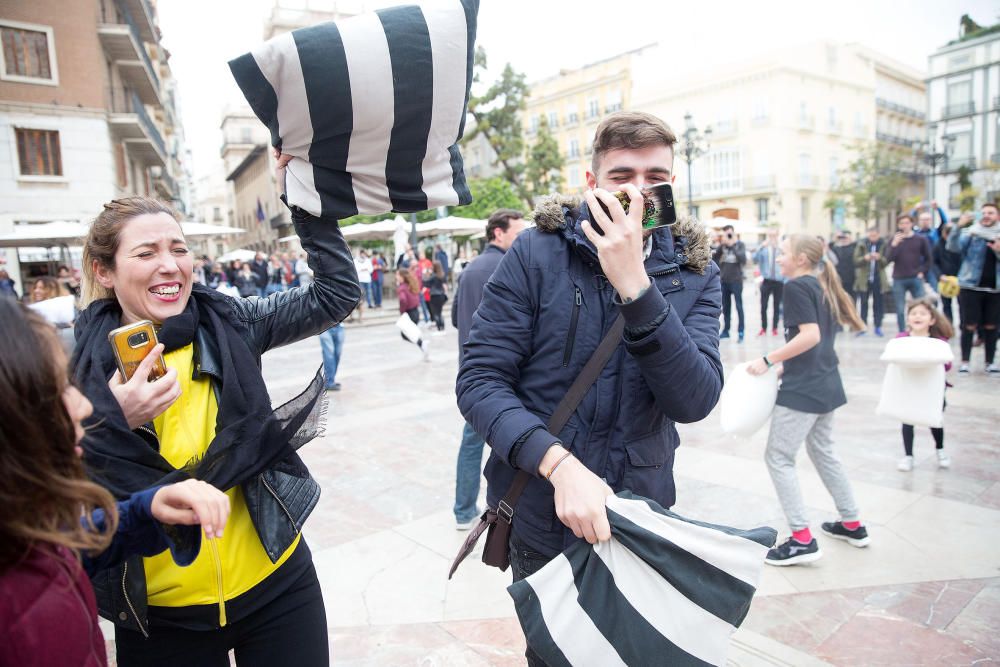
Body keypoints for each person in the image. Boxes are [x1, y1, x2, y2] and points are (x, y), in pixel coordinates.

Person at [456, 111, 722, 663]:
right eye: (622, 175)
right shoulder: (537, 252)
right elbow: (480, 380)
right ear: (592, 183)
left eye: (656, 177)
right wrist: (559, 465)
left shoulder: (695, 273)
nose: (640, 191)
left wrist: (635, 284)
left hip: (635, 511)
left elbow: (694, 399)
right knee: (555, 654)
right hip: (541, 509)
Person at [72, 181, 359, 665]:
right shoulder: (70, 368)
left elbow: (336, 294)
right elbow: (40, 485)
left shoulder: (234, 323)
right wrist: (109, 419)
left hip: (277, 586)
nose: (170, 265)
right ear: (104, 271)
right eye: (146, 253)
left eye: (179, 249)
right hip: (160, 617)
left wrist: (305, 200)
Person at [0, 299, 231, 667]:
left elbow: (61, 553)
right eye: (56, 389)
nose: (85, 406)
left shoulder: (21, 532)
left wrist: (144, 511)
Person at [747, 234, 868, 565]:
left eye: (783, 253)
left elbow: (811, 335)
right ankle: (852, 523)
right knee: (824, 452)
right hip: (826, 383)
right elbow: (818, 340)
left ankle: (802, 539)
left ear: (801, 259)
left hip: (805, 390)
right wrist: (788, 363)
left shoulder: (797, 286)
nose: (780, 258)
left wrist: (769, 359)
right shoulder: (820, 284)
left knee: (779, 457)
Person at [450, 209, 528, 530]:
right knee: (511, 442)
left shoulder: (470, 269)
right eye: (518, 233)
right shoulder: (508, 266)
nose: (524, 239)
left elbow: (456, 316)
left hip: (471, 373)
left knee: (472, 443)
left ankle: (463, 509)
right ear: (498, 233)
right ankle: (504, 508)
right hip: (503, 376)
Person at [894, 297, 955, 472]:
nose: (917, 317)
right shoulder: (901, 339)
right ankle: (908, 455)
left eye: (922, 313)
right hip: (909, 386)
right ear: (908, 318)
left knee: (935, 420)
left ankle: (940, 449)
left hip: (933, 388)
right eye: (913, 313)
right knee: (907, 420)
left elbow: (947, 364)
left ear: (932, 319)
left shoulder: (938, 341)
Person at [949, 205, 1000, 375]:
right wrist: (958, 226)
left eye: (990, 213)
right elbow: (953, 247)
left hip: (995, 289)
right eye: (984, 213)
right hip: (970, 286)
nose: (986, 216)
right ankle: (965, 362)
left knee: (992, 326)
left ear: (997, 216)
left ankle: (990, 362)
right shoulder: (971, 233)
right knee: (968, 325)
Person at [885, 214, 932, 332]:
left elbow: (929, 259)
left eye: (906, 223)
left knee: (921, 305)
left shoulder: (920, 239)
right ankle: (902, 332)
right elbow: (887, 259)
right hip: (899, 278)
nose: (904, 226)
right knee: (900, 309)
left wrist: (922, 272)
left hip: (915, 277)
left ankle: (921, 330)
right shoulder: (894, 239)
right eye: (901, 223)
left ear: (911, 224)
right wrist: (894, 245)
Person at [713, 223, 747, 341]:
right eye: (725, 233)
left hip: (736, 281)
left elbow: (743, 259)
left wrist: (732, 245)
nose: (727, 236)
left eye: (729, 233)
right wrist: (721, 245)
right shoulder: (723, 246)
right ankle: (726, 330)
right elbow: (715, 259)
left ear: (733, 233)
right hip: (724, 280)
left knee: (739, 307)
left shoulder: (740, 245)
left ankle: (741, 332)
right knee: (726, 307)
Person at [854, 227, 889, 336]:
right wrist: (865, 258)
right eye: (870, 235)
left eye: (874, 235)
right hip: (864, 279)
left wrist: (879, 258)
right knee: (863, 304)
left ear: (878, 235)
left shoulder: (883, 244)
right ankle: (863, 327)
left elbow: (887, 260)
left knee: (878, 304)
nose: (872, 237)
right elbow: (855, 260)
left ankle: (878, 326)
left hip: (878, 278)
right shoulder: (862, 244)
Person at [753, 230, 784, 336]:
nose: (772, 238)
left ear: (777, 236)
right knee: (763, 305)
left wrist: (780, 247)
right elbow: (754, 259)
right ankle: (763, 328)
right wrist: (761, 246)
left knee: (776, 306)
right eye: (770, 236)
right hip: (766, 281)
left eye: (774, 236)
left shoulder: (781, 249)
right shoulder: (764, 250)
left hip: (779, 281)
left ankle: (775, 328)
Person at [397, 267, 430, 361]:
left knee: (405, 334)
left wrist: (402, 311)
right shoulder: (411, 284)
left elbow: (403, 300)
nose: (397, 277)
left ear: (402, 276)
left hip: (409, 313)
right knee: (411, 333)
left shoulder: (402, 288)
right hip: (415, 312)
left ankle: (422, 343)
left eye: (398, 275)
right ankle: (422, 345)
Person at [934, 223, 963, 325]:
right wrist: (940, 275)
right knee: (946, 305)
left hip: (960, 278)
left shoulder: (960, 243)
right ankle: (949, 326)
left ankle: (962, 326)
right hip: (944, 279)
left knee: (963, 305)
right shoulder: (938, 245)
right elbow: (934, 262)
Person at [830, 231, 856, 307]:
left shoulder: (853, 247)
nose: (844, 239)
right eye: (842, 238)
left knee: (851, 299)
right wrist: (836, 239)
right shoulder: (837, 248)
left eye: (845, 237)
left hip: (851, 278)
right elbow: (829, 247)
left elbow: (857, 244)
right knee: (839, 299)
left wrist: (850, 239)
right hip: (839, 277)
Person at [318, 324, 345, 391]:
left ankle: (331, 379)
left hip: (339, 327)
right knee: (329, 355)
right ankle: (329, 382)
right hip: (325, 328)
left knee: (337, 354)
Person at [424, 260, 448, 332]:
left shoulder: (433, 276)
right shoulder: (442, 275)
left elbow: (426, 283)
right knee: (440, 312)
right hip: (441, 295)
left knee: (435, 313)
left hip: (434, 295)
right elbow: (445, 286)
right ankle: (442, 326)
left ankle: (439, 327)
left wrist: (426, 274)